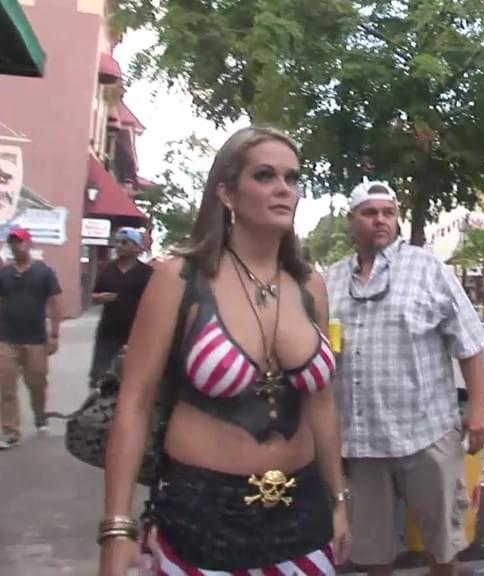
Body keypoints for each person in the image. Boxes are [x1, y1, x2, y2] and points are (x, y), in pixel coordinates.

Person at [99, 127, 348, 575]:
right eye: (265, 175)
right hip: (202, 519)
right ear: (227, 193)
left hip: (304, 516)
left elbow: (322, 402)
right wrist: (117, 528)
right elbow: (134, 404)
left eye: (292, 178)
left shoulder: (310, 285)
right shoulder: (180, 279)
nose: (283, 189)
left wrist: (338, 498)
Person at [325, 180, 484, 576]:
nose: (380, 220)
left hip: (426, 433)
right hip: (361, 442)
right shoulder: (330, 280)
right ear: (351, 221)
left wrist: (478, 408)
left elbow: (469, 342)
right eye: (369, 213)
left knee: (443, 545)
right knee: (371, 552)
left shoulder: (428, 268)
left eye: (388, 213)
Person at [0, 225, 62, 450]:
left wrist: (54, 334)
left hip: (36, 339)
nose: (16, 246)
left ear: (29, 243)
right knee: (5, 386)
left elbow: (54, 303)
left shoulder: (44, 272)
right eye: (12, 242)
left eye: (20, 241)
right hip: (6, 338)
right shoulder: (5, 273)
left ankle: (40, 416)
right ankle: (10, 432)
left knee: (36, 383)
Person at [89, 228, 154, 387]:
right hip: (107, 333)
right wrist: (99, 298)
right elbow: (94, 296)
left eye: (124, 243)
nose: (119, 246)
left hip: (134, 334)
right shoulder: (108, 269)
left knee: (131, 377)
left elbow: (153, 304)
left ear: (137, 247)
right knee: (100, 375)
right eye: (117, 242)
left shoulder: (147, 273)